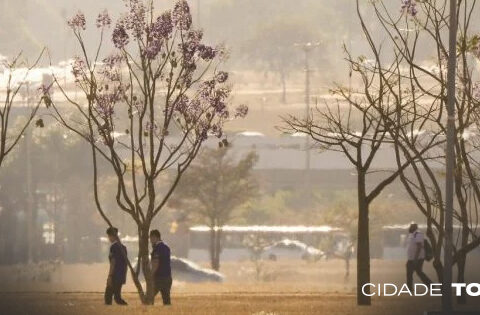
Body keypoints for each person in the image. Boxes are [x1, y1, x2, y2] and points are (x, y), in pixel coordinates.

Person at [104, 227, 128, 305]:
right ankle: (125, 307)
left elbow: (113, 262)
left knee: (108, 295)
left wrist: (110, 276)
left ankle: (108, 311)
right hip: (121, 275)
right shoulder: (123, 247)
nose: (109, 238)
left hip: (115, 275)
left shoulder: (113, 247)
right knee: (117, 297)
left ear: (112, 236)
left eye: (109, 236)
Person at [406, 222, 432, 291]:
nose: (409, 228)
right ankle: (430, 285)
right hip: (412, 258)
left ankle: (409, 288)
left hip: (417, 258)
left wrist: (415, 258)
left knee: (411, 272)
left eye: (411, 227)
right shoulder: (412, 235)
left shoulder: (418, 234)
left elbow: (419, 246)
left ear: (414, 228)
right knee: (418, 272)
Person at [150, 229, 172, 305]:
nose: (150, 241)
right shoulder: (167, 248)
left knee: (149, 297)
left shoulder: (157, 249)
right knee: (167, 301)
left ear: (155, 237)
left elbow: (156, 264)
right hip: (168, 277)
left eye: (151, 238)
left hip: (159, 278)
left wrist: (151, 275)